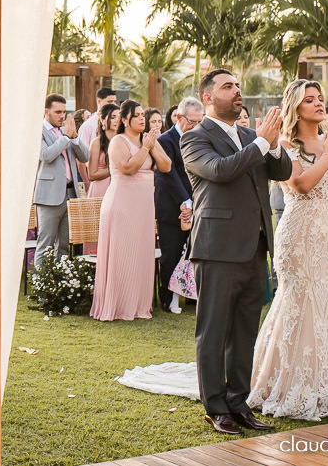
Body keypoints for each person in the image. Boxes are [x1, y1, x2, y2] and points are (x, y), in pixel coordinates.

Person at [249, 80, 328, 421]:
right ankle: (283, 380)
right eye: (310, 100)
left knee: (324, 305)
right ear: (296, 108)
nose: (319, 104)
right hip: (298, 235)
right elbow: (303, 185)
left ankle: (323, 384)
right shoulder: (286, 144)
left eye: (320, 98)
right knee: (297, 302)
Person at [180, 69, 291, 436]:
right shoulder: (195, 137)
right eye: (228, 86)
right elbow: (220, 170)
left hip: (255, 244)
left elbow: (282, 169)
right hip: (216, 247)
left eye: (238, 85)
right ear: (209, 97)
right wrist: (260, 143)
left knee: (245, 331)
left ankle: (239, 403)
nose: (237, 91)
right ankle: (216, 408)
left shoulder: (249, 135)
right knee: (213, 331)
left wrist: (273, 144)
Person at [89, 100, 172, 321]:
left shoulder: (149, 140)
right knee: (122, 253)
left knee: (140, 253)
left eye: (142, 115)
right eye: (136, 115)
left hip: (144, 204)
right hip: (122, 203)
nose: (142, 119)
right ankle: (118, 305)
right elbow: (127, 168)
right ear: (125, 119)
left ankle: (138, 305)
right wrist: (145, 148)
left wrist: (151, 145)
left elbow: (166, 166)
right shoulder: (119, 141)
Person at [155, 96, 202, 314]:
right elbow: (169, 174)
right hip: (172, 204)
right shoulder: (166, 140)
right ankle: (167, 299)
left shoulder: (200, 138)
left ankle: (192, 296)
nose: (196, 126)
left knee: (194, 252)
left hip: (197, 203)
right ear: (179, 117)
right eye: (192, 122)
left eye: (200, 122)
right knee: (171, 253)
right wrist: (185, 201)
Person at [33, 94, 89, 267]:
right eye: (58, 112)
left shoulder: (67, 131)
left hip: (70, 193)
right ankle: (42, 289)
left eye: (64, 112)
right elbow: (46, 155)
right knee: (45, 244)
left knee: (64, 246)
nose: (62, 116)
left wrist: (74, 138)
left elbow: (85, 156)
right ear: (46, 112)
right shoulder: (38, 131)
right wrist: (65, 138)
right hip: (49, 196)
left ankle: (59, 289)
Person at [86, 104, 119, 198]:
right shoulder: (96, 143)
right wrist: (115, 169)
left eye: (119, 117)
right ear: (102, 120)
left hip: (119, 188)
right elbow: (92, 174)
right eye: (113, 117)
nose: (117, 120)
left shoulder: (123, 141)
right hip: (101, 189)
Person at [77, 87, 119, 152]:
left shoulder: (119, 123)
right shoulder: (88, 126)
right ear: (99, 101)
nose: (113, 104)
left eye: (115, 101)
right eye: (110, 101)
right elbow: (81, 154)